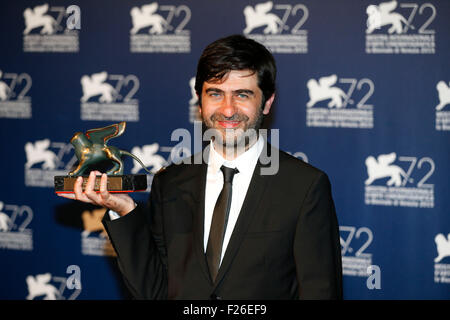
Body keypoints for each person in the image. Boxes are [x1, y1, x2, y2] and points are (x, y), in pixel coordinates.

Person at [59, 34, 343, 300]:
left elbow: (320, 292)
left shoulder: (304, 186)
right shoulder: (170, 182)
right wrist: (123, 210)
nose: (228, 109)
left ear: (267, 102)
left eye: (242, 95)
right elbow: (154, 291)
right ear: (200, 100)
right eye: (215, 93)